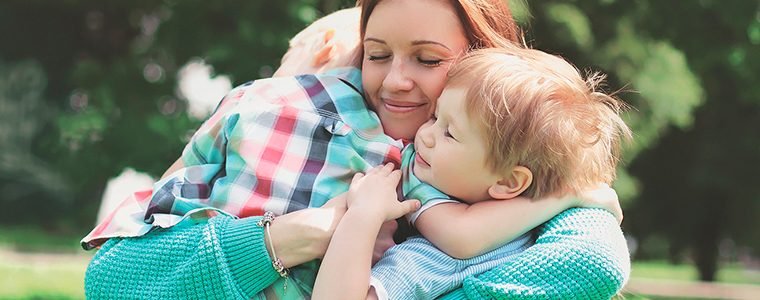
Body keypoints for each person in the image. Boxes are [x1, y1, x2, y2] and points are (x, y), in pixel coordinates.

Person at [83, 1, 630, 299]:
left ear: (483, 65)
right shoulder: (279, 118)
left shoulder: (531, 149)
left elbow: (591, 261)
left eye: (429, 60)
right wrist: (299, 234)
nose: (394, 81)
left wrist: (576, 196)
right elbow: (111, 280)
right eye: (375, 54)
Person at [313, 45, 632, 299]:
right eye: (435, 116)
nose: (424, 135)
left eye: (449, 132)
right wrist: (569, 195)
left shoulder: (443, 259)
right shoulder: (423, 186)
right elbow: (461, 237)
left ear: (509, 181)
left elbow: (462, 238)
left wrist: (363, 214)